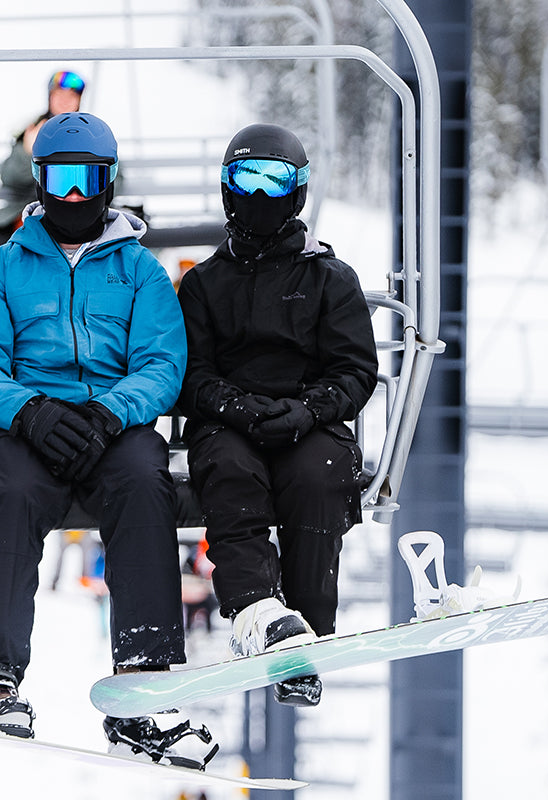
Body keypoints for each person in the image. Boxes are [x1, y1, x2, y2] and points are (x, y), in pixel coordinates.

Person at [0, 111, 219, 770]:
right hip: (27, 424)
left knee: (144, 483)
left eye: (87, 180)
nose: (74, 196)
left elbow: (162, 363)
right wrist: (31, 412)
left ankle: (144, 679)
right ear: (41, 182)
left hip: (112, 426)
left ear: (109, 182)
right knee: (8, 491)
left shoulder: (140, 271)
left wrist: (108, 413)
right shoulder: (3, 270)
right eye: (61, 179)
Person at [176, 123, 377, 707]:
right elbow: (191, 374)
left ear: (298, 191)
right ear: (227, 189)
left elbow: (354, 370)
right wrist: (234, 407)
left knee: (319, 475)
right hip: (227, 424)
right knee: (230, 473)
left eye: (275, 180)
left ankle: (306, 634)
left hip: (309, 424)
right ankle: (255, 613)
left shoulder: (329, 279)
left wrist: (308, 410)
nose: (260, 194)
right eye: (247, 179)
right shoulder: (204, 284)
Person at [0, 69, 87, 232]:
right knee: (31, 230)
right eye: (59, 95)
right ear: (50, 97)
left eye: (71, 96)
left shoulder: (91, 134)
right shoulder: (33, 131)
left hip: (81, 211)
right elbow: (11, 180)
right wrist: (28, 152)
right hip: (37, 210)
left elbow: (114, 178)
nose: (65, 101)